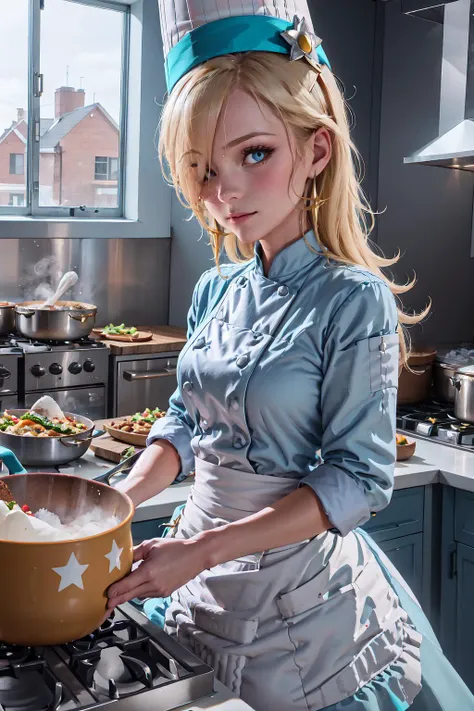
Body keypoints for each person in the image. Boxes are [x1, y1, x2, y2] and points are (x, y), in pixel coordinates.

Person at [106, 1, 474, 709]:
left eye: (254, 154)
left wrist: (202, 550)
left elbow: (358, 479)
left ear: (316, 150)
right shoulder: (215, 289)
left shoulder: (352, 299)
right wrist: (122, 497)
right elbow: (186, 418)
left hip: (309, 632)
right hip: (199, 597)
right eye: (203, 168)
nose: (225, 192)